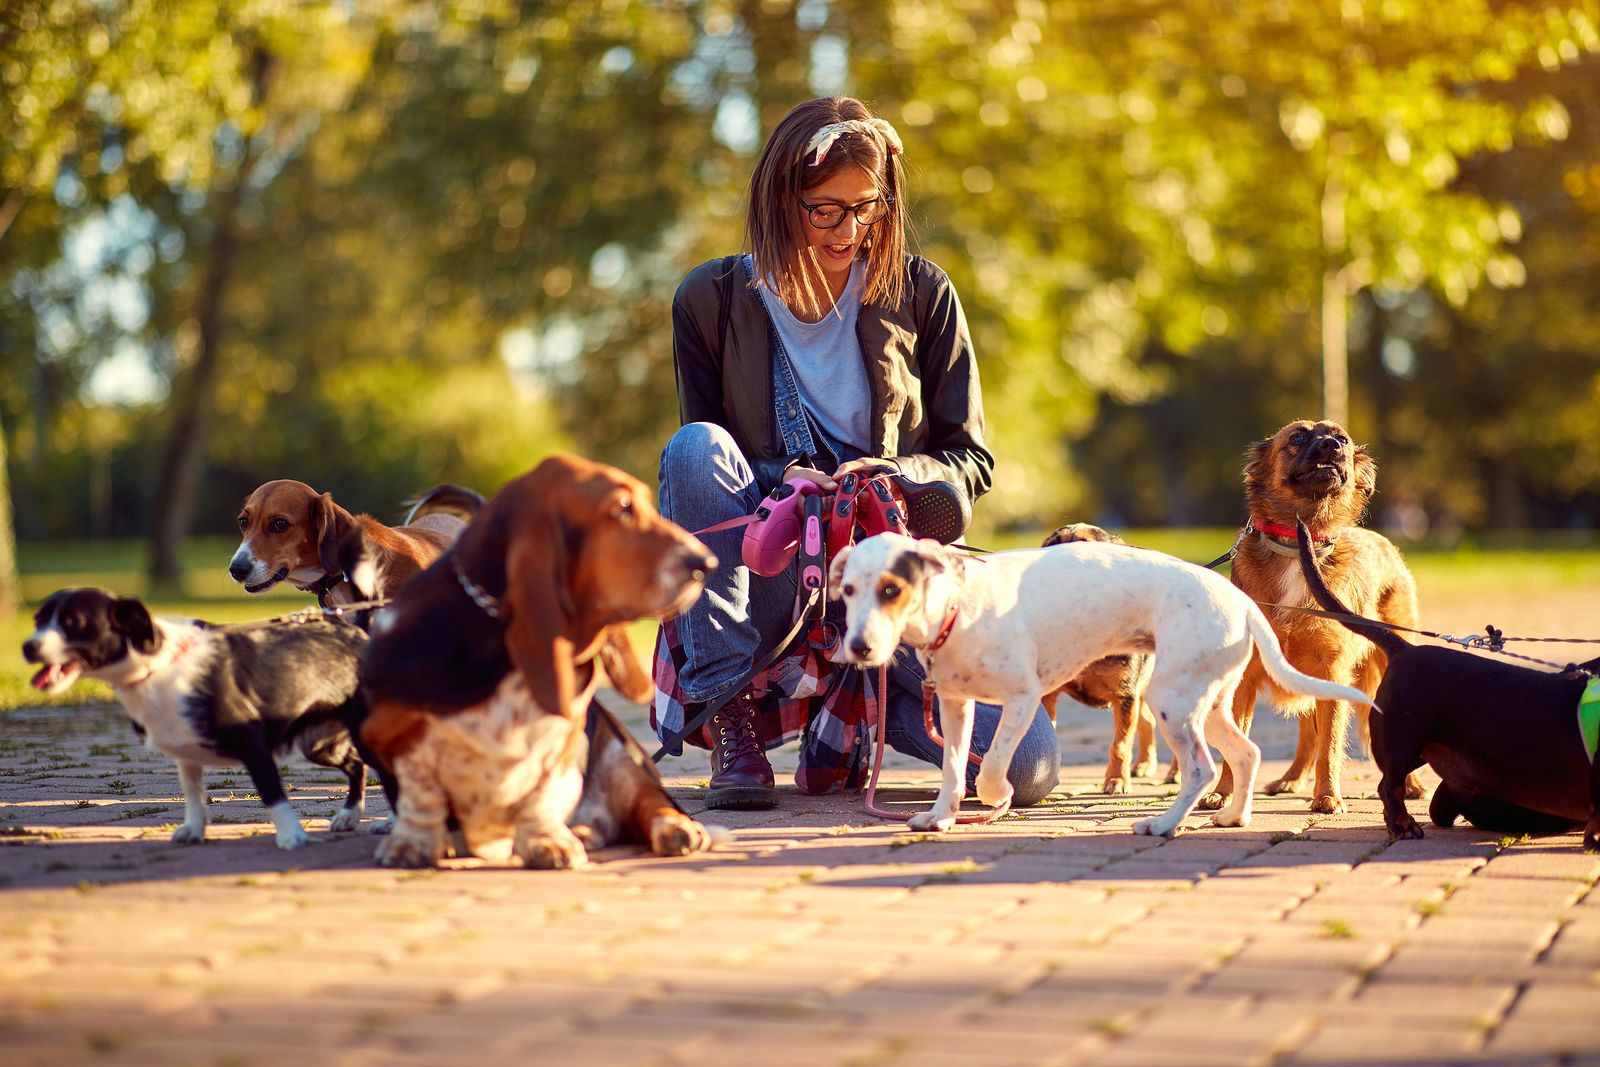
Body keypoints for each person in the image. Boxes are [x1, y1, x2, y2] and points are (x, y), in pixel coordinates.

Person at [651, 96, 1060, 811]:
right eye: (825, 210)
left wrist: (899, 473)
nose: (851, 230)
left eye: (867, 208)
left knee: (1024, 774)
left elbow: (971, 458)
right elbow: (709, 472)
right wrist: (786, 477)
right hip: (772, 569)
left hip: (891, 578)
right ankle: (729, 718)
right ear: (782, 201)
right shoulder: (708, 300)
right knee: (691, 449)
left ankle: (857, 726)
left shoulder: (924, 290)